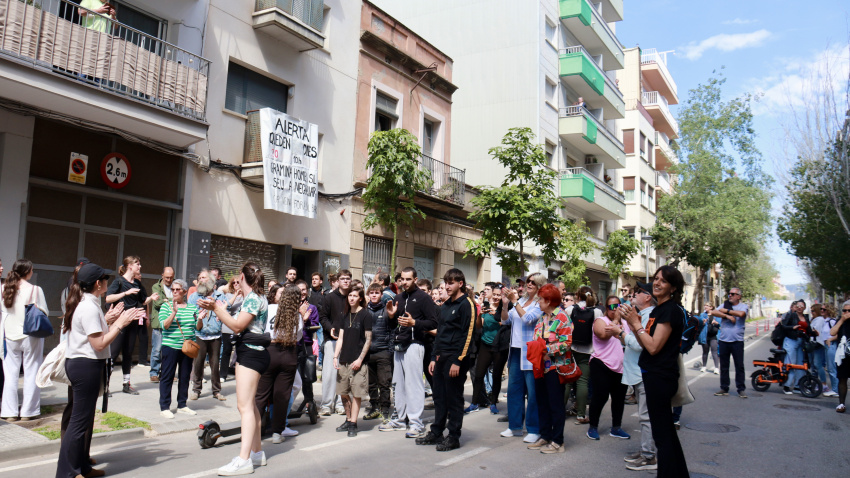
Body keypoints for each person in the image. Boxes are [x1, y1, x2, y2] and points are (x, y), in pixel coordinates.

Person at [55, 263, 139, 478]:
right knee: (78, 423)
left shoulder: (87, 303)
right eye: (104, 279)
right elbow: (99, 344)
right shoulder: (89, 307)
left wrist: (108, 320)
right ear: (97, 284)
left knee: (83, 421)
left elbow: (91, 335)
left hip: (85, 365)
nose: (106, 283)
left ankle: (82, 467)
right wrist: (120, 323)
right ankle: (68, 473)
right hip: (85, 366)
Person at [198, 262, 270, 476]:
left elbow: (237, 325)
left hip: (251, 353)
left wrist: (216, 309)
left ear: (241, 276)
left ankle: (244, 459)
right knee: (252, 406)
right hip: (252, 352)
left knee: (245, 407)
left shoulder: (253, 299)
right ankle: (257, 452)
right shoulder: (257, 297)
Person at [621, 265, 689, 477]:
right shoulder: (661, 309)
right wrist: (632, 323)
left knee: (662, 435)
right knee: (666, 432)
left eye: (664, 281)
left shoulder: (669, 311)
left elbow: (652, 346)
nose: (657, 283)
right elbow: (645, 338)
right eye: (657, 278)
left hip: (660, 378)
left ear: (673, 288)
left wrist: (634, 323)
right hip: (654, 376)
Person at [416, 269, 476, 451]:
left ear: (461, 283)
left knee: (454, 398)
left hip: (456, 357)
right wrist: (434, 357)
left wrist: (458, 360)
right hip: (442, 356)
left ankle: (453, 436)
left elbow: (468, 335)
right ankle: (436, 432)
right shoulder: (445, 305)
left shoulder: (467, 304)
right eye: (445, 282)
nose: (447, 286)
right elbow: (440, 333)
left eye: (451, 283)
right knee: (440, 396)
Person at [378, 267, 438, 438]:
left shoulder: (424, 298)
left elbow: (433, 323)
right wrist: (390, 316)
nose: (404, 282)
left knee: (414, 385)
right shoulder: (398, 297)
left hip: (415, 345)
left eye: (408, 279)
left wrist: (414, 323)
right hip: (399, 344)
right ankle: (399, 420)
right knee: (398, 385)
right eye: (402, 279)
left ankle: (416, 423)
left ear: (415, 279)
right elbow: (392, 326)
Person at [524, 283, 571, 454]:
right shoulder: (542, 318)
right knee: (541, 402)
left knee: (555, 405)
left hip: (556, 368)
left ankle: (558, 441)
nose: (538, 303)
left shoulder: (562, 318)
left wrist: (547, 350)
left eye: (540, 300)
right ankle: (545, 435)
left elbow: (566, 343)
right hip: (540, 367)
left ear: (549, 300)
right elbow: (536, 337)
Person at [499, 272, 544, 443]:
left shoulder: (540, 304)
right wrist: (505, 305)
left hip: (531, 352)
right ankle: (515, 426)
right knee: (514, 390)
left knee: (532, 393)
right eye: (527, 282)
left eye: (532, 282)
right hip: (516, 350)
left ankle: (534, 429)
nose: (528, 284)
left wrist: (514, 301)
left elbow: (528, 319)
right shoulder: (523, 301)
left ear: (539, 285)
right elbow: (505, 321)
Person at [1, 259, 48, 421]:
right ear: (27, 271)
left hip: (9, 335)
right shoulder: (35, 290)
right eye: (31, 270)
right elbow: (44, 312)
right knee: (32, 371)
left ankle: (9, 412)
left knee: (10, 375)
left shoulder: (3, 288)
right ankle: (29, 412)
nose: (32, 272)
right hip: (31, 335)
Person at [255, 285, 303, 444]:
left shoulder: (268, 309)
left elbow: (259, 329)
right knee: (282, 396)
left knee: (261, 395)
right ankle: (277, 432)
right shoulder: (297, 315)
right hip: (288, 353)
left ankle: (253, 430)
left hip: (269, 351)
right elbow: (298, 337)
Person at [105, 255, 159, 395]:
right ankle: (104, 385)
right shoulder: (119, 282)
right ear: (130, 266)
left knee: (128, 354)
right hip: (120, 323)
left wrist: (151, 298)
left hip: (133, 322)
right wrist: (125, 293)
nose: (140, 267)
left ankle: (126, 384)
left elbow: (143, 300)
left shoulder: (137, 283)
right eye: (138, 264)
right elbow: (108, 297)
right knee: (114, 353)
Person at [620, 282, 658, 471]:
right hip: (637, 372)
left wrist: (620, 333)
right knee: (644, 416)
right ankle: (645, 451)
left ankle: (649, 456)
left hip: (643, 372)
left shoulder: (649, 316)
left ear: (648, 296)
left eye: (638, 292)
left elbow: (638, 344)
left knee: (646, 416)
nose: (634, 295)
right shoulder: (641, 315)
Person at [587, 296, 631, 440]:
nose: (616, 309)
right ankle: (593, 427)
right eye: (612, 307)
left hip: (621, 366)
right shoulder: (601, 321)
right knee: (600, 397)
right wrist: (616, 321)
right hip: (601, 364)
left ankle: (616, 427)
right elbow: (603, 334)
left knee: (619, 398)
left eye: (618, 305)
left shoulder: (626, 323)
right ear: (606, 308)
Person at [333, 287, 372, 437]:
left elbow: (368, 339)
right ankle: (348, 419)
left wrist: (360, 359)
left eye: (355, 296)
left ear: (360, 298)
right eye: (350, 295)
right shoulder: (345, 315)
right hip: (344, 360)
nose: (351, 298)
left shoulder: (365, 315)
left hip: (358, 361)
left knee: (356, 393)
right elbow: (341, 338)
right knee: (343, 392)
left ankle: (354, 423)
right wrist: (335, 356)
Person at [157, 279, 198, 420]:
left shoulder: (192, 308)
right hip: (170, 346)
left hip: (187, 347)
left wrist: (201, 319)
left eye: (177, 289)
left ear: (185, 292)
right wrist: (173, 312)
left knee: (185, 376)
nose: (174, 292)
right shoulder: (166, 306)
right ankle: (165, 406)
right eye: (173, 289)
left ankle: (182, 405)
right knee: (167, 376)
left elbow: (197, 327)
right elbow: (164, 325)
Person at [563, 285, 602, 425]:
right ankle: (580, 415)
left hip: (569, 348)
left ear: (578, 296)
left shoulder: (570, 309)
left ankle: (560, 412)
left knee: (567, 381)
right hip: (587, 351)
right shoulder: (597, 312)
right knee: (583, 382)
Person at [319, 270, 352, 416]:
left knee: (344, 375)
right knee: (329, 374)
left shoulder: (353, 297)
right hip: (332, 340)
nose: (345, 281)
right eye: (343, 279)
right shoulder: (329, 298)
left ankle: (340, 403)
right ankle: (326, 405)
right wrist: (329, 328)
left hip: (349, 341)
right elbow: (323, 316)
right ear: (337, 281)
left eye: (348, 279)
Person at [189, 278, 227, 401]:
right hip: (200, 333)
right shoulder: (195, 296)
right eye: (200, 279)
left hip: (215, 334)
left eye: (204, 280)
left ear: (211, 285)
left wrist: (221, 312)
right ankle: (196, 389)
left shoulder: (220, 296)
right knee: (198, 363)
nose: (201, 282)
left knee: (215, 364)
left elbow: (226, 309)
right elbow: (191, 312)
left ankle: (216, 391)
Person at [469, 286, 502, 414]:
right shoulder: (485, 306)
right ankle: (474, 403)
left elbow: (504, 324)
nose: (495, 297)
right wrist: (480, 315)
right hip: (485, 345)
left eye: (498, 295)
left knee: (496, 375)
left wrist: (496, 315)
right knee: (478, 374)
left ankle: (493, 403)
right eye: (494, 294)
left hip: (499, 347)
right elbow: (479, 326)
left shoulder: (503, 309)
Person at [710, 288, 749, 398]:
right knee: (724, 365)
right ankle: (724, 387)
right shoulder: (724, 304)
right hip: (723, 340)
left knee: (739, 365)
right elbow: (713, 312)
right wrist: (727, 316)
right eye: (729, 294)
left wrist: (726, 311)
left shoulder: (743, 306)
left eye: (733, 294)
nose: (730, 296)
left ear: (739, 296)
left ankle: (741, 389)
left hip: (737, 341)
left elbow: (741, 314)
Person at [364, 283, 394, 422]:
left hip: (383, 351)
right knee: (371, 383)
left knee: (384, 382)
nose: (374, 295)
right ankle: (374, 407)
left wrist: (390, 349)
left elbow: (393, 330)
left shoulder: (387, 310)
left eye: (377, 293)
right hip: (368, 352)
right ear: (368, 294)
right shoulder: (364, 311)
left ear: (381, 295)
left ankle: (385, 409)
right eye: (372, 293)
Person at [295, 280, 320, 414]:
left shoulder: (312, 308)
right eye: (299, 289)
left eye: (304, 289)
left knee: (307, 377)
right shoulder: (290, 306)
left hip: (306, 345)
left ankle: (310, 402)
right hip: (292, 346)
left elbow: (314, 326)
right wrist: (300, 316)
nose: (302, 292)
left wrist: (307, 319)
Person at [149, 267, 174, 383]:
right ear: (162, 276)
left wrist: (166, 300)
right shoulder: (156, 287)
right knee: (157, 350)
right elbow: (157, 302)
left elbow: (180, 300)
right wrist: (171, 300)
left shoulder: (175, 287)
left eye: (171, 277)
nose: (169, 280)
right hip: (159, 323)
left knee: (168, 350)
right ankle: (154, 373)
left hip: (171, 323)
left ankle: (166, 373)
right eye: (167, 277)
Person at [779, 300, 807, 394]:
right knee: (790, 363)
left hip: (801, 342)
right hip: (791, 341)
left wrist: (813, 333)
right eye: (797, 306)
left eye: (801, 306)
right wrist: (792, 327)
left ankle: (798, 386)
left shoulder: (805, 317)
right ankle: (787, 385)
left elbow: (809, 329)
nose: (799, 307)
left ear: (804, 308)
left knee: (800, 365)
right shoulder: (791, 315)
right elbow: (784, 326)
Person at [220, 277, 244, 383]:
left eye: (238, 282)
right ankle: (223, 375)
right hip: (228, 327)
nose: (235, 284)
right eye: (233, 282)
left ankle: (239, 374)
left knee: (241, 352)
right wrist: (235, 295)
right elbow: (226, 307)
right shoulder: (228, 296)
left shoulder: (247, 297)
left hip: (240, 328)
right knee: (226, 351)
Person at [829, 301, 850, 413]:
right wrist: (842, 320)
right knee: (842, 378)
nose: (846, 313)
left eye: (849, 311)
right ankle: (841, 404)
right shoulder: (840, 322)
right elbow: (832, 332)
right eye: (844, 310)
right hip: (843, 355)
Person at [809, 304, 830, 394]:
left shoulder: (820, 319)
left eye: (813, 311)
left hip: (818, 344)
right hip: (813, 344)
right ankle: (815, 383)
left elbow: (815, 330)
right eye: (811, 311)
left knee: (818, 364)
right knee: (813, 365)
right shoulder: (814, 319)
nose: (812, 312)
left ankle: (824, 384)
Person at [822, 305, 840, 397]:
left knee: (832, 368)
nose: (822, 310)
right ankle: (835, 388)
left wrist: (830, 340)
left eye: (824, 309)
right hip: (826, 345)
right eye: (821, 309)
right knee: (829, 368)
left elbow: (838, 333)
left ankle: (836, 389)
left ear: (828, 310)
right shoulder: (824, 321)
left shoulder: (832, 321)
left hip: (831, 345)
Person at [698, 303, 719, 374]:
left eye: (707, 306)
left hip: (713, 336)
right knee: (705, 352)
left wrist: (716, 323)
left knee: (714, 352)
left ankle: (716, 368)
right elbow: (699, 324)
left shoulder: (716, 315)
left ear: (711, 307)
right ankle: (704, 366)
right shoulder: (702, 315)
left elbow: (720, 324)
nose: (705, 307)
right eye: (704, 305)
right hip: (705, 336)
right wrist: (703, 323)